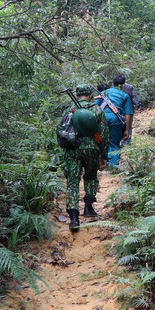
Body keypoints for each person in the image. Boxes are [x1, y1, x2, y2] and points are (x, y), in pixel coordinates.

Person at [62, 84, 109, 231]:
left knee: (72, 182)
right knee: (90, 177)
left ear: (77, 96)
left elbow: (63, 131)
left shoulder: (69, 110)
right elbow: (104, 134)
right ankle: (88, 207)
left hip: (73, 149)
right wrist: (104, 155)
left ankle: (74, 218)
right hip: (92, 149)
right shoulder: (97, 110)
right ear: (90, 95)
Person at [98, 75, 133, 169]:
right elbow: (128, 114)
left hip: (102, 119)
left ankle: (103, 163)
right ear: (123, 85)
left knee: (101, 142)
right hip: (116, 120)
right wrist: (127, 130)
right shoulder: (125, 96)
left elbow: (95, 107)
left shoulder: (103, 93)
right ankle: (113, 167)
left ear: (112, 83)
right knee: (114, 143)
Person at [115, 75, 139, 145]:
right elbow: (134, 97)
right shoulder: (130, 87)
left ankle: (119, 141)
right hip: (129, 109)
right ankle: (127, 142)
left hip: (118, 110)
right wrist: (138, 105)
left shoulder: (113, 89)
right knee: (128, 126)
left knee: (119, 125)